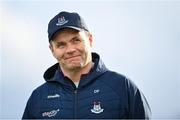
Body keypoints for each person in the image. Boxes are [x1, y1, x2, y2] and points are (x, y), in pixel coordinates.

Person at [22, 11, 151, 119]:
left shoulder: (123, 87)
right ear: (52, 50)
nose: (70, 49)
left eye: (76, 40)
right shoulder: (38, 98)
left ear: (90, 40)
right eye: (61, 45)